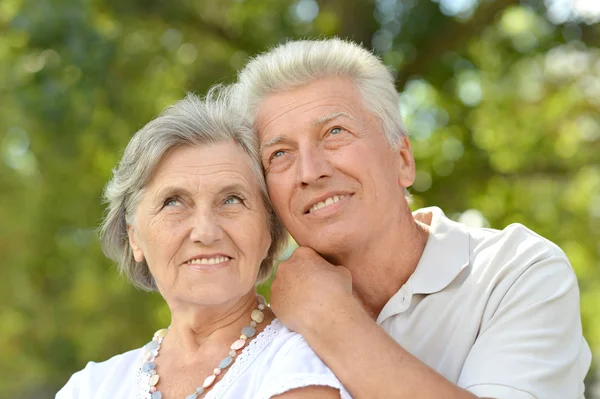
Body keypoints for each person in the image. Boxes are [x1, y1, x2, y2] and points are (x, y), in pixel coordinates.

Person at [235, 38, 592, 399]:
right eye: (280, 153)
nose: (309, 172)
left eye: (334, 133)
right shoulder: (261, 333)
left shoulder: (516, 272)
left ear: (403, 159)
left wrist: (328, 318)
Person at [56, 89, 351, 399]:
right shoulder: (90, 387)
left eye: (232, 200)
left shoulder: (300, 365)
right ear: (134, 237)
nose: (206, 232)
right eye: (173, 203)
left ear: (269, 231)